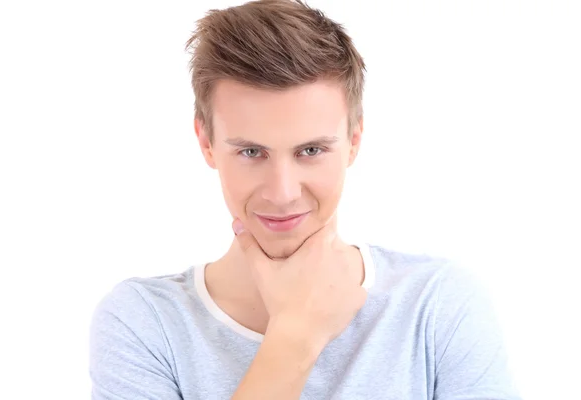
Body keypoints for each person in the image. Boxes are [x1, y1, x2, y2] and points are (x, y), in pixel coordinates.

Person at [89, 1, 521, 399]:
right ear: (206, 142)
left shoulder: (437, 306)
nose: (282, 193)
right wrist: (295, 338)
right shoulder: (145, 324)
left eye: (311, 151)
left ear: (353, 141)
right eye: (251, 152)